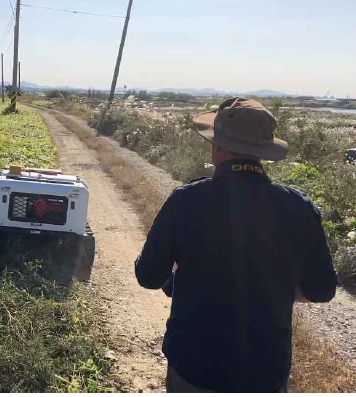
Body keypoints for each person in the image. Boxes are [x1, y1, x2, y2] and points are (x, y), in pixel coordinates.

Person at [134, 97, 338, 393]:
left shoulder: (185, 201)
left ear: (217, 147)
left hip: (194, 365)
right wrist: (271, 289)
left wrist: (179, 277)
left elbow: (148, 276)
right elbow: (322, 290)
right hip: (266, 371)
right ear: (264, 153)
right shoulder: (298, 207)